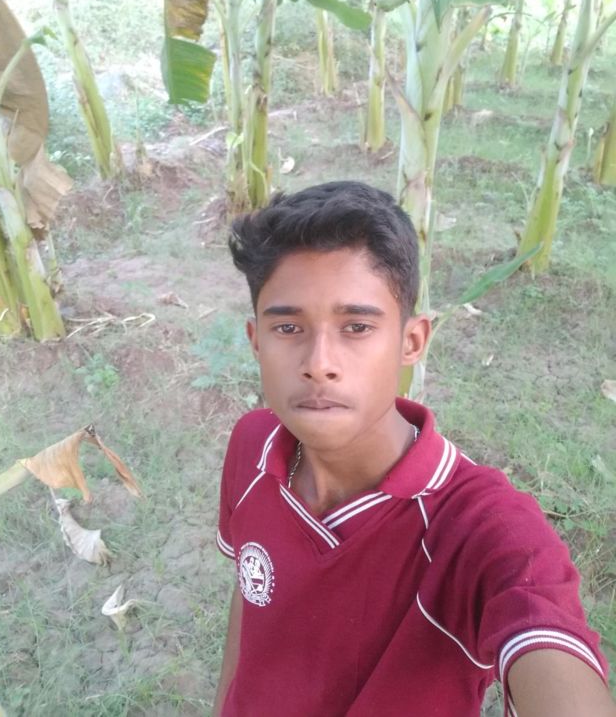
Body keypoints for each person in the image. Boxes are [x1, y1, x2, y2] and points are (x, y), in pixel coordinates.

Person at [213, 181, 614, 717]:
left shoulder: (476, 527)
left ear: (412, 342)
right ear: (255, 340)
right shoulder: (253, 445)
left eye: (357, 327)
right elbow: (251, 594)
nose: (318, 362)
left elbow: (544, 631)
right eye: (288, 327)